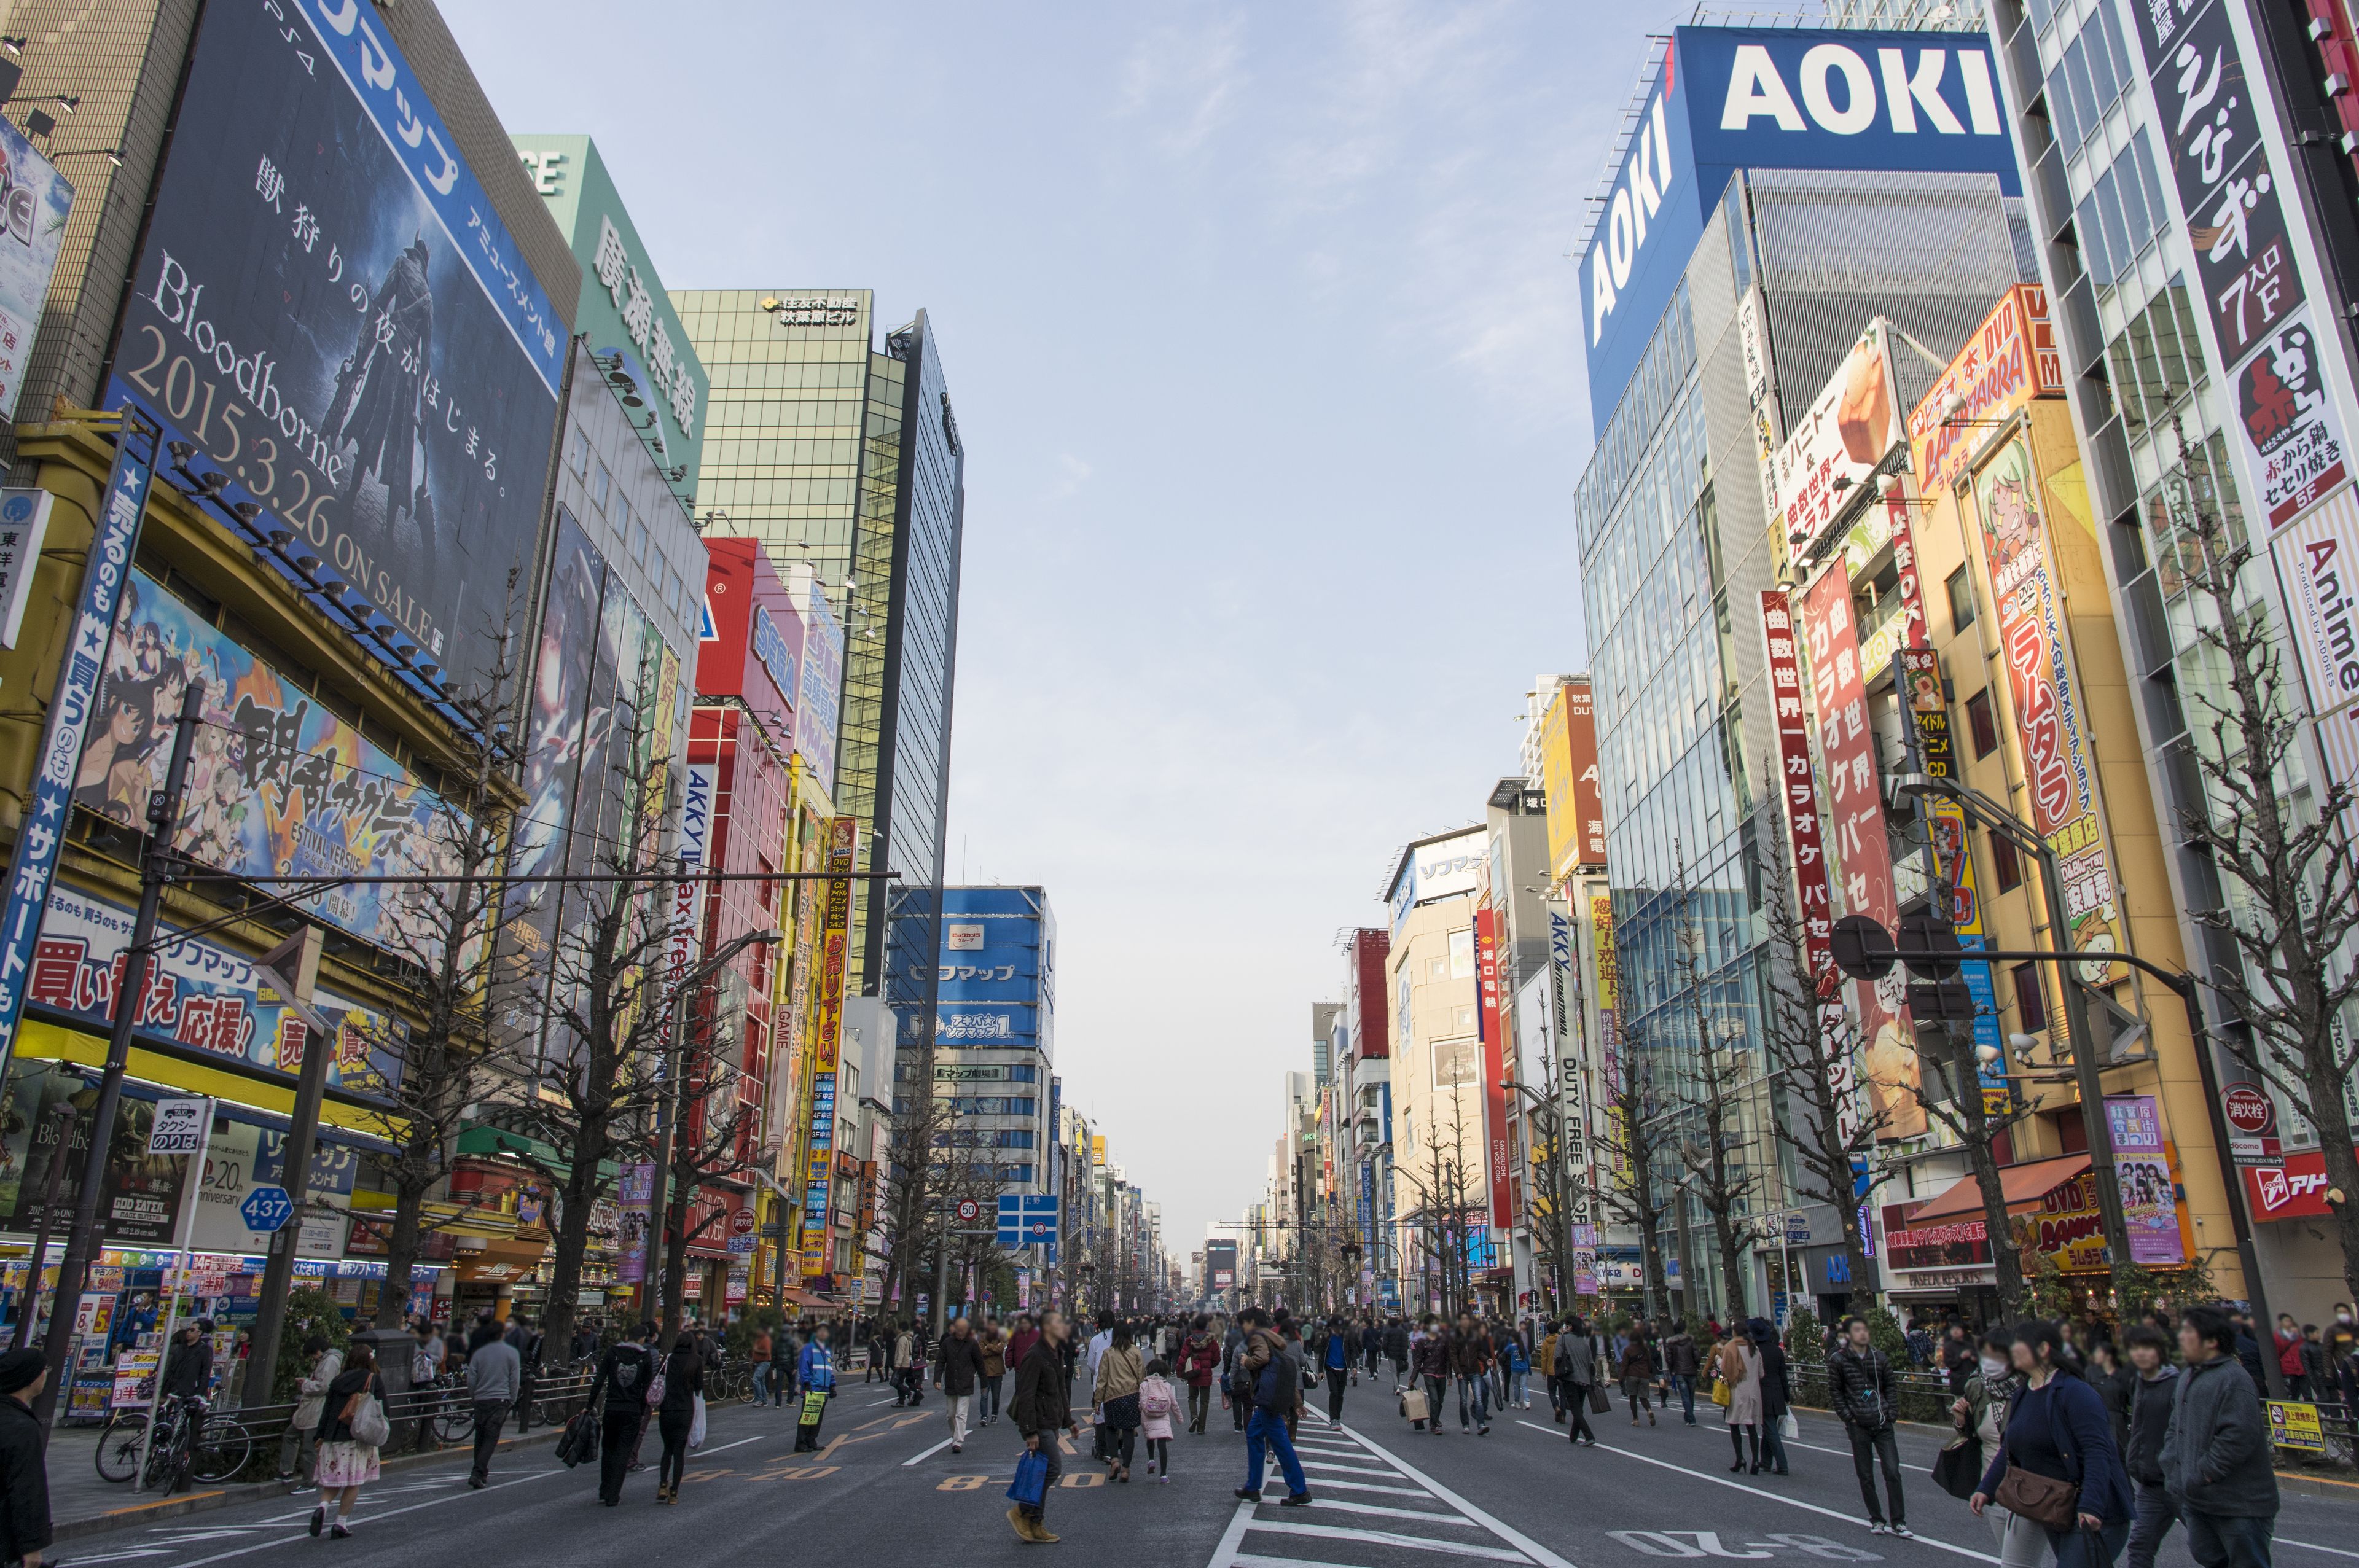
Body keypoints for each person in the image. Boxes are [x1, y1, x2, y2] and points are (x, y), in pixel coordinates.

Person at [1973, 1320, 2132, 1568]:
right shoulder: (2024, 1393)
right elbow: (2010, 1449)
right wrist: (1986, 1488)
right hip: (2057, 1508)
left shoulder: (2075, 1392)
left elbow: (2098, 1451)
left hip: (2095, 1511)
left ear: (2044, 1349)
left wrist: (2092, 1505)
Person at [2160, 1305, 2279, 1568]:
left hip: (2240, 1505)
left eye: (2189, 1331)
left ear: (2212, 1341)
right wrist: (2172, 1465)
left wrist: (2204, 1473)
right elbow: (2175, 1426)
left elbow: (2238, 1437)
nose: (2181, 1336)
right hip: (2198, 1500)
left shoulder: (2233, 1379)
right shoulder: (2188, 1375)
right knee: (2209, 1559)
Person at [1956, 1329, 2043, 1568]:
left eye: (1996, 1355)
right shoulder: (1976, 1387)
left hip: (2025, 1487)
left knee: (2016, 1564)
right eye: (1985, 1355)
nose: (1990, 1362)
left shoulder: (2030, 1387)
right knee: (2010, 1557)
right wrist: (1960, 1420)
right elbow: (1971, 1435)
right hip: (1991, 1486)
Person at [1831, 1314, 1910, 1538]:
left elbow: (1890, 1386)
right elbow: (1836, 1391)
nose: (1863, 1334)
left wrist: (1892, 1411)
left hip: (1883, 1422)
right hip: (1859, 1425)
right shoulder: (1838, 1360)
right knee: (1866, 1475)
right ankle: (1876, 1519)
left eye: (1864, 1330)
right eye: (1857, 1331)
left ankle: (1899, 1521)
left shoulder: (1879, 1358)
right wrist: (1848, 1417)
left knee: (1893, 1471)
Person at [1010, 1309, 1080, 1543]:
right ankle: (1024, 1512)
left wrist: (1068, 1421)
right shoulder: (1036, 1355)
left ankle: (1034, 1522)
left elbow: (1060, 1390)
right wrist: (1029, 1431)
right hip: (1039, 1422)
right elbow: (1026, 1394)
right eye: (1060, 1322)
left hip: (1051, 1419)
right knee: (1052, 1469)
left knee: (1045, 1470)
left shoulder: (1055, 1352)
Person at [1234, 1307, 1312, 1504]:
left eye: (1243, 1323)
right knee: (1254, 1434)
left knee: (1282, 1444)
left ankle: (1299, 1490)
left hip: (1267, 1399)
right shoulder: (1272, 1337)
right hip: (1271, 1397)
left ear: (1251, 1322)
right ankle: (1252, 1487)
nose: (1242, 1328)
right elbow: (1281, 1369)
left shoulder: (1257, 1337)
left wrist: (1246, 1361)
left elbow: (1262, 1359)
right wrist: (1297, 1402)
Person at [309, 1343, 386, 1539]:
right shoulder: (373, 1379)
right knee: (353, 1482)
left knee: (333, 1481)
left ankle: (322, 1506)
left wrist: (320, 1435)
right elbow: (384, 1409)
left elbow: (326, 1411)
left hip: (332, 1437)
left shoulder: (337, 1381)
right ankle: (340, 1524)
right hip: (357, 1437)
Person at [2122, 1324, 2182, 1568]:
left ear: (2159, 1350)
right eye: (2135, 1349)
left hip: (2178, 1482)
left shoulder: (2177, 1383)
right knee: (2139, 1546)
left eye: (2146, 1348)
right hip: (2149, 1483)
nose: (2141, 1354)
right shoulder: (2139, 1382)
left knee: (2209, 1548)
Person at [586, 1324, 659, 1506]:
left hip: (612, 1407)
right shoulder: (645, 1357)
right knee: (623, 1452)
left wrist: (589, 1405)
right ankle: (613, 1494)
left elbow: (600, 1380)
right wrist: (643, 1410)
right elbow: (647, 1387)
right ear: (643, 1339)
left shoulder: (613, 1352)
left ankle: (604, 1489)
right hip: (632, 1409)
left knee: (609, 1449)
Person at [0, 1348, 52, 1568]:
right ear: (31, 1379)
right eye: (44, 1370)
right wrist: (32, 1550)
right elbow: (27, 1490)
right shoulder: (22, 1428)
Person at [280, 1335, 342, 1489]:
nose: (313, 1358)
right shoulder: (327, 1360)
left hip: (316, 1408)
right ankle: (287, 1471)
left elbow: (324, 1387)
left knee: (309, 1447)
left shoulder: (330, 1361)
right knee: (291, 1435)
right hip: (310, 1408)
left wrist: (306, 1384)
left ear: (318, 1350)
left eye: (313, 1354)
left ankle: (309, 1481)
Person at [464, 1322, 520, 1490]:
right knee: (491, 1437)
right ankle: (478, 1472)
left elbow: (471, 1378)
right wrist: (513, 1398)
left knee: (480, 1437)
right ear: (503, 1335)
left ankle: (481, 1473)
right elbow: (514, 1379)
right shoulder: (511, 1353)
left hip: (481, 1399)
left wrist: (473, 1396)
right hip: (501, 1399)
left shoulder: (479, 1353)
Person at [653, 1331, 703, 1505]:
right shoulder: (695, 1361)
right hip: (685, 1409)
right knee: (679, 1452)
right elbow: (699, 1387)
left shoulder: (668, 1359)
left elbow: (658, 1379)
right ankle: (674, 1492)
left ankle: (662, 1485)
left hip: (667, 1408)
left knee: (667, 1449)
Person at [1094, 1322, 1146, 1482]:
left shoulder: (1108, 1353)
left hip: (1112, 1397)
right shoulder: (1135, 1351)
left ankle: (1115, 1460)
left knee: (1110, 1429)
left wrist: (1097, 1401)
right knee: (1129, 1431)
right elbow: (1141, 1377)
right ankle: (1126, 1469)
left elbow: (1102, 1379)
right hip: (1131, 1396)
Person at [937, 1316, 986, 1455]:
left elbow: (980, 1364)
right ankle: (955, 1435)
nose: (960, 1332)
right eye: (958, 1330)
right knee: (950, 1414)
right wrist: (937, 1379)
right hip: (951, 1382)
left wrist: (984, 1383)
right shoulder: (947, 1343)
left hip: (966, 1383)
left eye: (962, 1330)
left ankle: (958, 1442)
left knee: (961, 1414)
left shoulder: (972, 1344)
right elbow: (940, 1361)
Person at [1722, 1322, 1765, 1473]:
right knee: (1752, 1427)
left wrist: (1720, 1377)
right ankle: (1756, 1460)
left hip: (1737, 1392)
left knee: (1734, 1425)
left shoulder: (1730, 1348)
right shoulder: (1755, 1349)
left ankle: (1740, 1458)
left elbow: (1724, 1372)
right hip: (1754, 1392)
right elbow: (1761, 1374)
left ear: (1735, 1333)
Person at [1751, 1319, 1791, 1476]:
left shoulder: (1754, 1352)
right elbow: (1783, 1376)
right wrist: (1787, 1396)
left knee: (1770, 1429)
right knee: (1769, 1427)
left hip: (1763, 1393)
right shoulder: (1777, 1351)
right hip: (1778, 1392)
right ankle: (1766, 1461)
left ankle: (1782, 1464)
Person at [1449, 1311, 1493, 1435]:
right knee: (1463, 1400)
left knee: (1478, 1399)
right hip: (1462, 1372)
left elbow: (1479, 1352)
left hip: (1474, 1371)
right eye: (1463, 1319)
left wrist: (1486, 1359)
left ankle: (1481, 1425)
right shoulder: (1455, 1337)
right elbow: (1453, 1356)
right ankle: (1466, 1425)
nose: (1465, 1322)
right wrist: (1457, 1371)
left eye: (1467, 1319)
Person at [795, 1322, 836, 1452]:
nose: (823, 1333)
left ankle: (811, 1440)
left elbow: (829, 1369)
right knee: (807, 1416)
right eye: (820, 1331)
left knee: (817, 1417)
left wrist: (832, 1386)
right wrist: (806, 1383)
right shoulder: (809, 1348)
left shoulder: (827, 1350)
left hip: (823, 1391)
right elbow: (804, 1367)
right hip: (812, 1389)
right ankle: (801, 1442)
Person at [2088, 1338, 2135, 1453]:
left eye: (2099, 1352)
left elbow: (2132, 1399)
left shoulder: (2123, 1375)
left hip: (2119, 1423)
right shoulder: (2091, 1373)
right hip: (2098, 1420)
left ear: (2108, 1356)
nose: (2096, 1355)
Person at [1560, 1317, 1601, 1448]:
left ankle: (1589, 1436)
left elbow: (1557, 1358)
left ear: (1570, 1327)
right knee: (1579, 1408)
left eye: (1566, 1325)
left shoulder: (1563, 1339)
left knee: (1575, 1409)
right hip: (1585, 1380)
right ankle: (1573, 1435)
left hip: (1570, 1378)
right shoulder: (1584, 1342)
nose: (1565, 1328)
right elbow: (1591, 1363)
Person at [1183, 1316, 1221, 1433]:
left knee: (1192, 1397)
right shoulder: (1212, 1341)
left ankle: (1194, 1416)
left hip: (1192, 1373)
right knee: (1205, 1402)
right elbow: (1217, 1358)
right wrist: (1209, 1366)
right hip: (1206, 1374)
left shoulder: (1190, 1340)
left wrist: (1181, 1373)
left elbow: (1183, 1357)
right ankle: (1201, 1428)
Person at [1412, 1316, 1450, 1434]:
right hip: (1428, 1372)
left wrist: (1450, 1375)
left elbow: (1448, 1358)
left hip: (1442, 1372)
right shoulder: (1422, 1340)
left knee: (1440, 1400)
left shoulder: (1444, 1339)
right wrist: (1413, 1378)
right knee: (1434, 1399)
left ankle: (1434, 1420)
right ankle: (1435, 1424)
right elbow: (1418, 1361)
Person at [1620, 1320, 1658, 1426]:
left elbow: (1624, 1365)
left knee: (1633, 1398)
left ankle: (1636, 1419)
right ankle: (1649, 1410)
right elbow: (1649, 1362)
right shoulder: (1645, 1349)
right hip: (1644, 1375)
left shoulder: (1628, 1350)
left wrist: (1621, 1378)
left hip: (1632, 1375)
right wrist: (1649, 1372)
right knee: (1643, 1397)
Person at [1664, 1320, 1701, 1426]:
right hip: (1692, 1371)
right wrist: (1696, 1366)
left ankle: (1690, 1418)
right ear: (1684, 1330)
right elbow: (1697, 1356)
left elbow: (1669, 1359)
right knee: (1691, 1395)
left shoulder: (1671, 1343)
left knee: (1685, 1396)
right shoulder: (1691, 1341)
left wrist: (1672, 1370)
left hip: (1679, 1372)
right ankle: (1690, 1416)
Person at [1323, 1314, 1351, 1424]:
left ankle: (1337, 1417)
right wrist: (1321, 1370)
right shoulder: (1327, 1335)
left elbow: (1351, 1350)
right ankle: (1333, 1418)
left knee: (1340, 1394)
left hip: (1343, 1368)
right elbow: (1323, 1353)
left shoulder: (1346, 1336)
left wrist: (1353, 1367)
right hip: (1330, 1367)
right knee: (1334, 1393)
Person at [980, 1317, 1008, 1427]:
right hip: (985, 1372)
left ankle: (995, 1414)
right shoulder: (982, 1338)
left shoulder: (1001, 1337)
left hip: (997, 1372)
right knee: (984, 1396)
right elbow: (981, 1352)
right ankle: (984, 1416)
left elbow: (1000, 1350)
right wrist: (994, 1349)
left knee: (996, 1396)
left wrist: (989, 1347)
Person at [750, 1324, 773, 1408]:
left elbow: (767, 1351)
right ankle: (764, 1401)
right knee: (761, 1382)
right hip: (759, 1362)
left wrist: (757, 1350)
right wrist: (752, 1360)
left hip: (764, 1362)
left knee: (756, 1379)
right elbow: (754, 1352)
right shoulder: (758, 1339)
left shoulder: (766, 1339)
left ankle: (759, 1399)